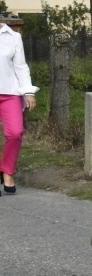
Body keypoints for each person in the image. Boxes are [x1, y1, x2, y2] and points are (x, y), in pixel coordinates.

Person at [0, 22, 38, 195]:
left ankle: (7, 171)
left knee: (15, 132)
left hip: (10, 92)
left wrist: (28, 92)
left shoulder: (13, 37)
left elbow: (21, 66)